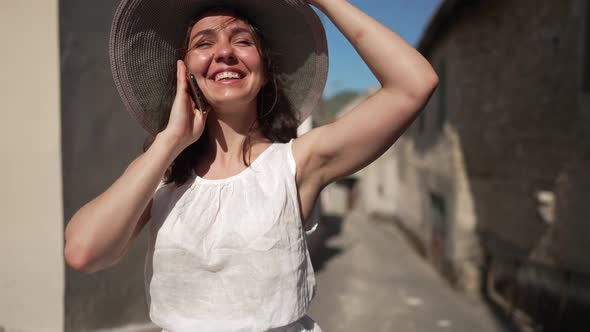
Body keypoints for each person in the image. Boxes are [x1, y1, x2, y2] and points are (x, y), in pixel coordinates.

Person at [64, 0, 438, 330]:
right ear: (185, 71)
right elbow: (84, 252)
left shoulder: (297, 163)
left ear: (265, 68)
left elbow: (414, 84)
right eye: (203, 43)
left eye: (242, 40)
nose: (225, 52)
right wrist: (169, 141)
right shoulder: (162, 170)